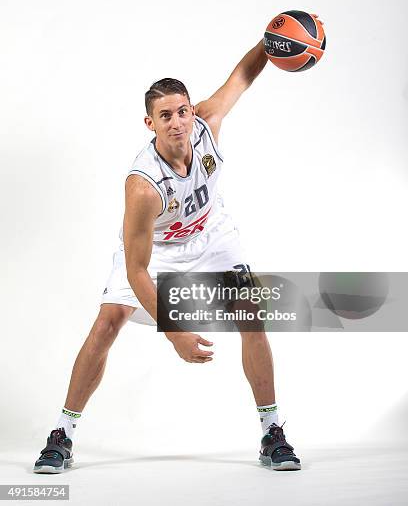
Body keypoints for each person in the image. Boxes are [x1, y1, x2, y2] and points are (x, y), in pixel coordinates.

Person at [33, 37, 301, 473]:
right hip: (154, 251)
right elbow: (138, 269)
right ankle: (63, 433)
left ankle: (272, 432)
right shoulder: (142, 185)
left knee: (253, 314)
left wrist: (272, 39)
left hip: (211, 236)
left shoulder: (207, 125)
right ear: (149, 122)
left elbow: (244, 75)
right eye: (165, 116)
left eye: (182, 111)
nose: (176, 122)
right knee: (107, 323)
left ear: (192, 111)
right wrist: (174, 332)